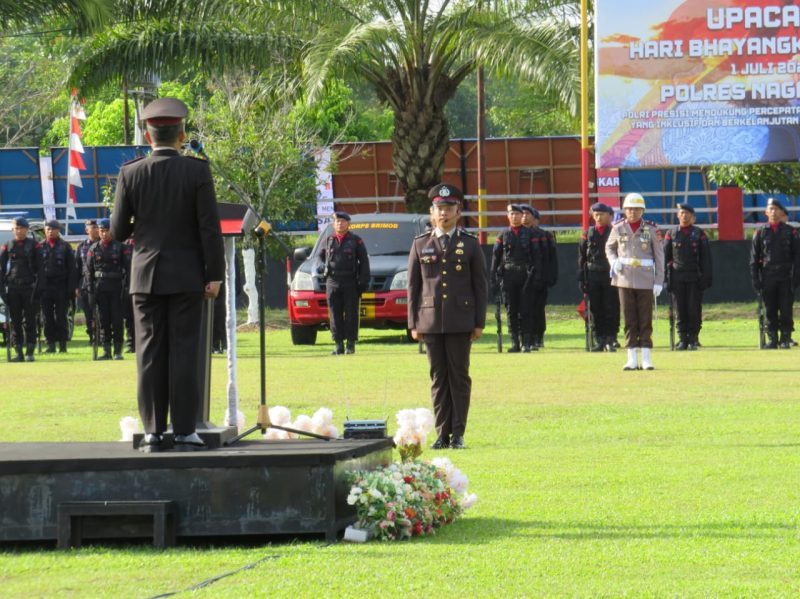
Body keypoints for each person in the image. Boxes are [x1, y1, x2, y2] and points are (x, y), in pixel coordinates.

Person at [111, 97, 225, 453]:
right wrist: (214, 274)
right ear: (182, 135)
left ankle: (153, 433)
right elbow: (210, 228)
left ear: (148, 136)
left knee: (148, 353)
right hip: (187, 275)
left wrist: (145, 224)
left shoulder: (130, 172)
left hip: (145, 275)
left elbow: (117, 231)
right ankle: (186, 431)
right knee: (185, 351)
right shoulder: (197, 171)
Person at [408, 183, 487, 450]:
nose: (444, 213)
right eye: (439, 209)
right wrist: (413, 323)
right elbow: (413, 287)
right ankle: (442, 434)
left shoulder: (470, 244)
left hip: (460, 320)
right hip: (430, 320)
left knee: (459, 377)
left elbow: (480, 286)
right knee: (438, 378)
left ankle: (458, 434)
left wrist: (479, 322)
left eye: (449, 208)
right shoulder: (420, 243)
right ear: (432, 212)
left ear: (458, 212)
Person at [606, 192, 665, 370]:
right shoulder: (618, 227)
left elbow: (659, 256)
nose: (633, 212)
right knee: (629, 319)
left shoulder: (652, 229)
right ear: (624, 210)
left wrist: (659, 281)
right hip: (624, 278)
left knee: (645, 319)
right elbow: (609, 247)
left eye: (637, 209)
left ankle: (646, 357)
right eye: (630, 209)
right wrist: (613, 261)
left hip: (645, 279)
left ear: (642, 210)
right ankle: (631, 357)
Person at [316, 211, 370, 355]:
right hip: (332, 281)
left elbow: (364, 262)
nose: (339, 224)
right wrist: (320, 266)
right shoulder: (328, 240)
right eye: (337, 221)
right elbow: (319, 257)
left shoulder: (356, 240)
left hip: (350, 281)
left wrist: (363, 282)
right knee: (334, 314)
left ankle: (350, 344)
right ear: (333, 224)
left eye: (342, 221)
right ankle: (338, 344)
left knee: (351, 314)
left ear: (348, 224)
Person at [491, 204, 542, 352]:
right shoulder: (502, 235)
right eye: (511, 214)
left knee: (526, 310)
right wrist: (493, 278)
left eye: (517, 214)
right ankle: (515, 343)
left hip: (526, 276)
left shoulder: (530, 234)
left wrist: (537, 277)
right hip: (508, 276)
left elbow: (537, 257)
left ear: (522, 216)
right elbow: (496, 258)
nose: (514, 217)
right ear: (508, 216)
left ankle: (526, 342)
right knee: (511, 310)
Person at [750, 198, 800, 349]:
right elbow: (754, 259)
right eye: (770, 209)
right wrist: (756, 280)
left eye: (776, 209)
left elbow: (797, 257)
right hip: (768, 276)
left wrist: (796, 277)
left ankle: (785, 338)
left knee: (786, 309)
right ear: (766, 212)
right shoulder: (760, 232)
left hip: (785, 276)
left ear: (782, 212)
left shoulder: (791, 232)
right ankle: (772, 339)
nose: (773, 212)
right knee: (770, 309)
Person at [664, 203, 712, 350]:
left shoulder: (699, 233)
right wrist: (665, 279)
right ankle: (682, 338)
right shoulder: (671, 234)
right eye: (682, 213)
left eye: (687, 214)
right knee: (680, 309)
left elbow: (706, 258)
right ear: (678, 215)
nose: (684, 216)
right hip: (677, 277)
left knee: (694, 309)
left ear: (693, 217)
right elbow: (665, 258)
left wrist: (706, 278)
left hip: (694, 278)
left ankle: (693, 338)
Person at [578, 202, 620, 352]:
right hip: (593, 275)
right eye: (596, 215)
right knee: (595, 308)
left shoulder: (615, 232)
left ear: (609, 216)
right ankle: (599, 339)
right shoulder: (588, 233)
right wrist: (581, 278)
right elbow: (582, 257)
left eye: (602, 214)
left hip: (610, 275)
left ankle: (611, 338)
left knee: (611, 307)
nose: (599, 217)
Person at [0, 217, 43, 361]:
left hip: (30, 288)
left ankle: (30, 351)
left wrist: (39, 289)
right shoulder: (8, 246)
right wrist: (2, 290)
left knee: (30, 321)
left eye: (20, 228)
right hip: (13, 288)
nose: (18, 231)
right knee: (15, 322)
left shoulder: (34, 246)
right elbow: (1, 269)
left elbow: (41, 269)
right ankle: (18, 352)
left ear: (26, 229)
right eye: (16, 228)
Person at [87, 219, 131, 360]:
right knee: (103, 320)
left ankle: (117, 350)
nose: (104, 234)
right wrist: (90, 291)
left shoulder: (120, 247)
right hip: (100, 288)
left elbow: (129, 269)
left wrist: (128, 288)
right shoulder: (93, 249)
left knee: (117, 320)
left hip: (117, 288)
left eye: (107, 231)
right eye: (102, 231)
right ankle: (106, 351)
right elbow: (89, 272)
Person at [40, 219, 78, 353]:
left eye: (53, 229)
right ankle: (50, 344)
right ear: (45, 230)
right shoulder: (40, 246)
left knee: (61, 317)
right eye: (48, 229)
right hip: (45, 287)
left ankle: (62, 345)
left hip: (61, 287)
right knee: (47, 317)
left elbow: (72, 269)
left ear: (58, 231)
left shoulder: (65, 246)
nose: (50, 232)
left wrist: (72, 288)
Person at [521, 205, 554, 348]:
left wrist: (549, 276)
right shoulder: (516, 234)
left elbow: (551, 258)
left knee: (538, 308)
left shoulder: (544, 235)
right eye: (522, 214)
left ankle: (538, 336)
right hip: (521, 278)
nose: (524, 217)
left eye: (528, 214)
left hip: (539, 278)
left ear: (536, 219)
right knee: (523, 309)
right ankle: (524, 338)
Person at [75, 219, 100, 343]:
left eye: (96, 227)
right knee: (88, 312)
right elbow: (77, 268)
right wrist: (76, 287)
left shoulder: (102, 244)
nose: (95, 230)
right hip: (85, 283)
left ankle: (103, 336)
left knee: (102, 311)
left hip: (100, 281)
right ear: (87, 230)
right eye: (92, 227)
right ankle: (92, 336)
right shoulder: (81, 246)